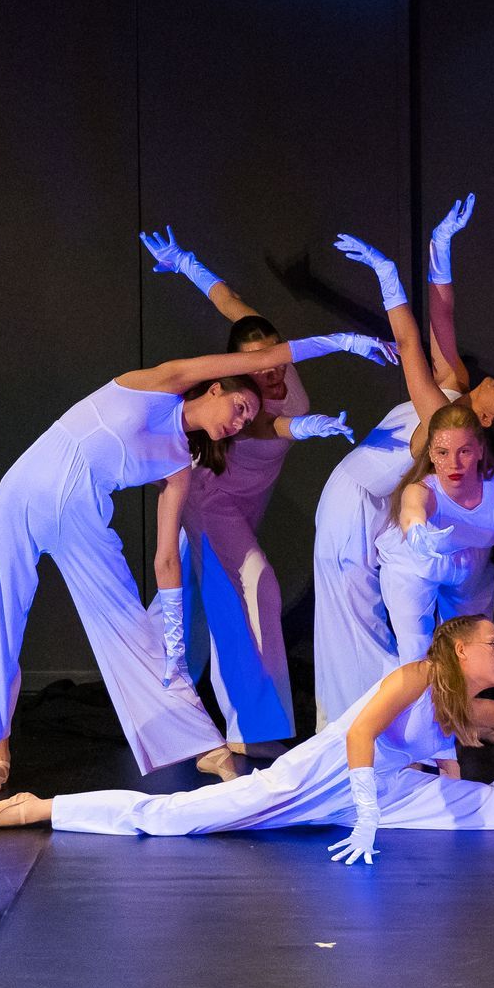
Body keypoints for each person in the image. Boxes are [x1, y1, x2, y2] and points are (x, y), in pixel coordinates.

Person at [0, 331, 393, 797]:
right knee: (1, 627)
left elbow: (167, 560)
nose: (240, 422)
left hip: (82, 518)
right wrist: (346, 342)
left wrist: (174, 642)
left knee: (130, 630)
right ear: (215, 388)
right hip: (19, 496)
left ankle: (202, 744)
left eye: (249, 418)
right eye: (239, 408)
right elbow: (273, 354)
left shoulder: (178, 466)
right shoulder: (157, 385)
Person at [0, 615, 494, 862]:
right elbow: (364, 731)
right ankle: (46, 806)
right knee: (179, 821)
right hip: (327, 770)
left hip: (385, 782)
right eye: (493, 645)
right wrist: (365, 811)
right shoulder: (417, 675)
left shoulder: (472, 706)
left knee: (474, 809)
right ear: (458, 653)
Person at [139, 226, 353, 758]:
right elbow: (265, 430)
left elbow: (234, 306)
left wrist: (186, 261)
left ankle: (158, 700)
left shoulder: (276, 360)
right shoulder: (246, 401)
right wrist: (304, 428)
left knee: (189, 605)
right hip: (211, 502)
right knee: (255, 589)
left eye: (277, 358)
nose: (273, 371)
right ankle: (252, 730)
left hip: (242, 507)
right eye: (259, 366)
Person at [311, 216, 494, 724]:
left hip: (370, 503)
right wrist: (441, 246)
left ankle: (382, 725)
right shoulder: (455, 383)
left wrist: (387, 275)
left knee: (364, 619)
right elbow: (442, 318)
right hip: (363, 493)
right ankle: (356, 726)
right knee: (353, 618)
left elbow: (410, 344)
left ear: (486, 423)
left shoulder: (440, 417)